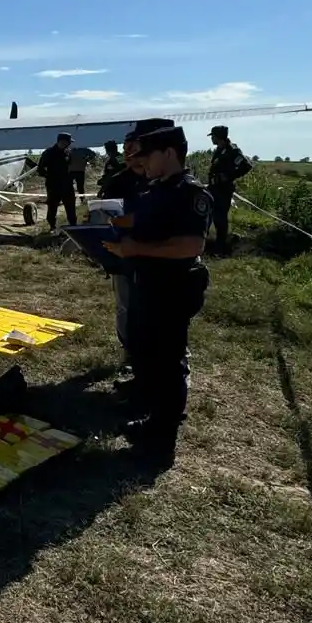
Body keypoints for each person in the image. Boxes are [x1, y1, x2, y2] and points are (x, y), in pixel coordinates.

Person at [102, 121, 212, 465]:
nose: (141, 163)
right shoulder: (157, 189)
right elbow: (143, 221)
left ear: (169, 153)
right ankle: (152, 420)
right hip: (147, 284)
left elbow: (191, 245)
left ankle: (162, 441)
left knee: (168, 363)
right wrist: (110, 225)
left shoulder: (190, 193)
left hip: (173, 287)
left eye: (147, 156)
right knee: (145, 354)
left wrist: (135, 249)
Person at [98, 132, 149, 367]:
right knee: (125, 305)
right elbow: (105, 216)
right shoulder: (118, 181)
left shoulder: (161, 181)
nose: (128, 154)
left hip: (154, 253)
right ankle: (128, 352)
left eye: (134, 149)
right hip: (123, 252)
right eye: (126, 149)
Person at [207, 125, 252, 254]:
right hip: (214, 187)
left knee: (220, 217)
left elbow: (246, 166)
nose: (212, 139)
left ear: (218, 136)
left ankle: (220, 246)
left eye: (213, 136)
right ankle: (209, 242)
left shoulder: (233, 151)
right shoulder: (219, 149)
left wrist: (229, 176)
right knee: (210, 214)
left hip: (223, 189)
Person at [36, 133, 77, 230]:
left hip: (67, 185)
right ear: (62, 141)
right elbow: (40, 169)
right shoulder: (48, 153)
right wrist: (51, 176)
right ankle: (52, 227)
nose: (69, 144)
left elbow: (69, 166)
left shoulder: (68, 152)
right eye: (68, 142)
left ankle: (73, 227)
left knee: (70, 207)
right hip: (53, 186)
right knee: (52, 207)